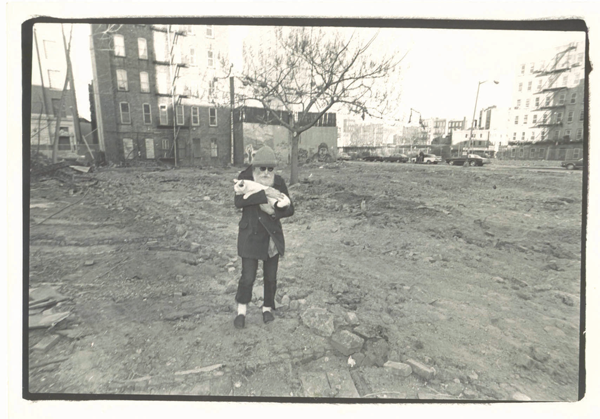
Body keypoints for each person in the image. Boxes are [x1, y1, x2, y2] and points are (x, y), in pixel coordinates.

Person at [233, 146, 294, 329]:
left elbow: (290, 209)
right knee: (248, 277)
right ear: (255, 168)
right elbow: (238, 202)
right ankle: (241, 311)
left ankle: (267, 308)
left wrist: (275, 212)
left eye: (270, 169)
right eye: (262, 168)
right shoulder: (244, 181)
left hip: (270, 238)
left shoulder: (279, 182)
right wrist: (265, 193)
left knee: (270, 277)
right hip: (250, 236)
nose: (266, 172)